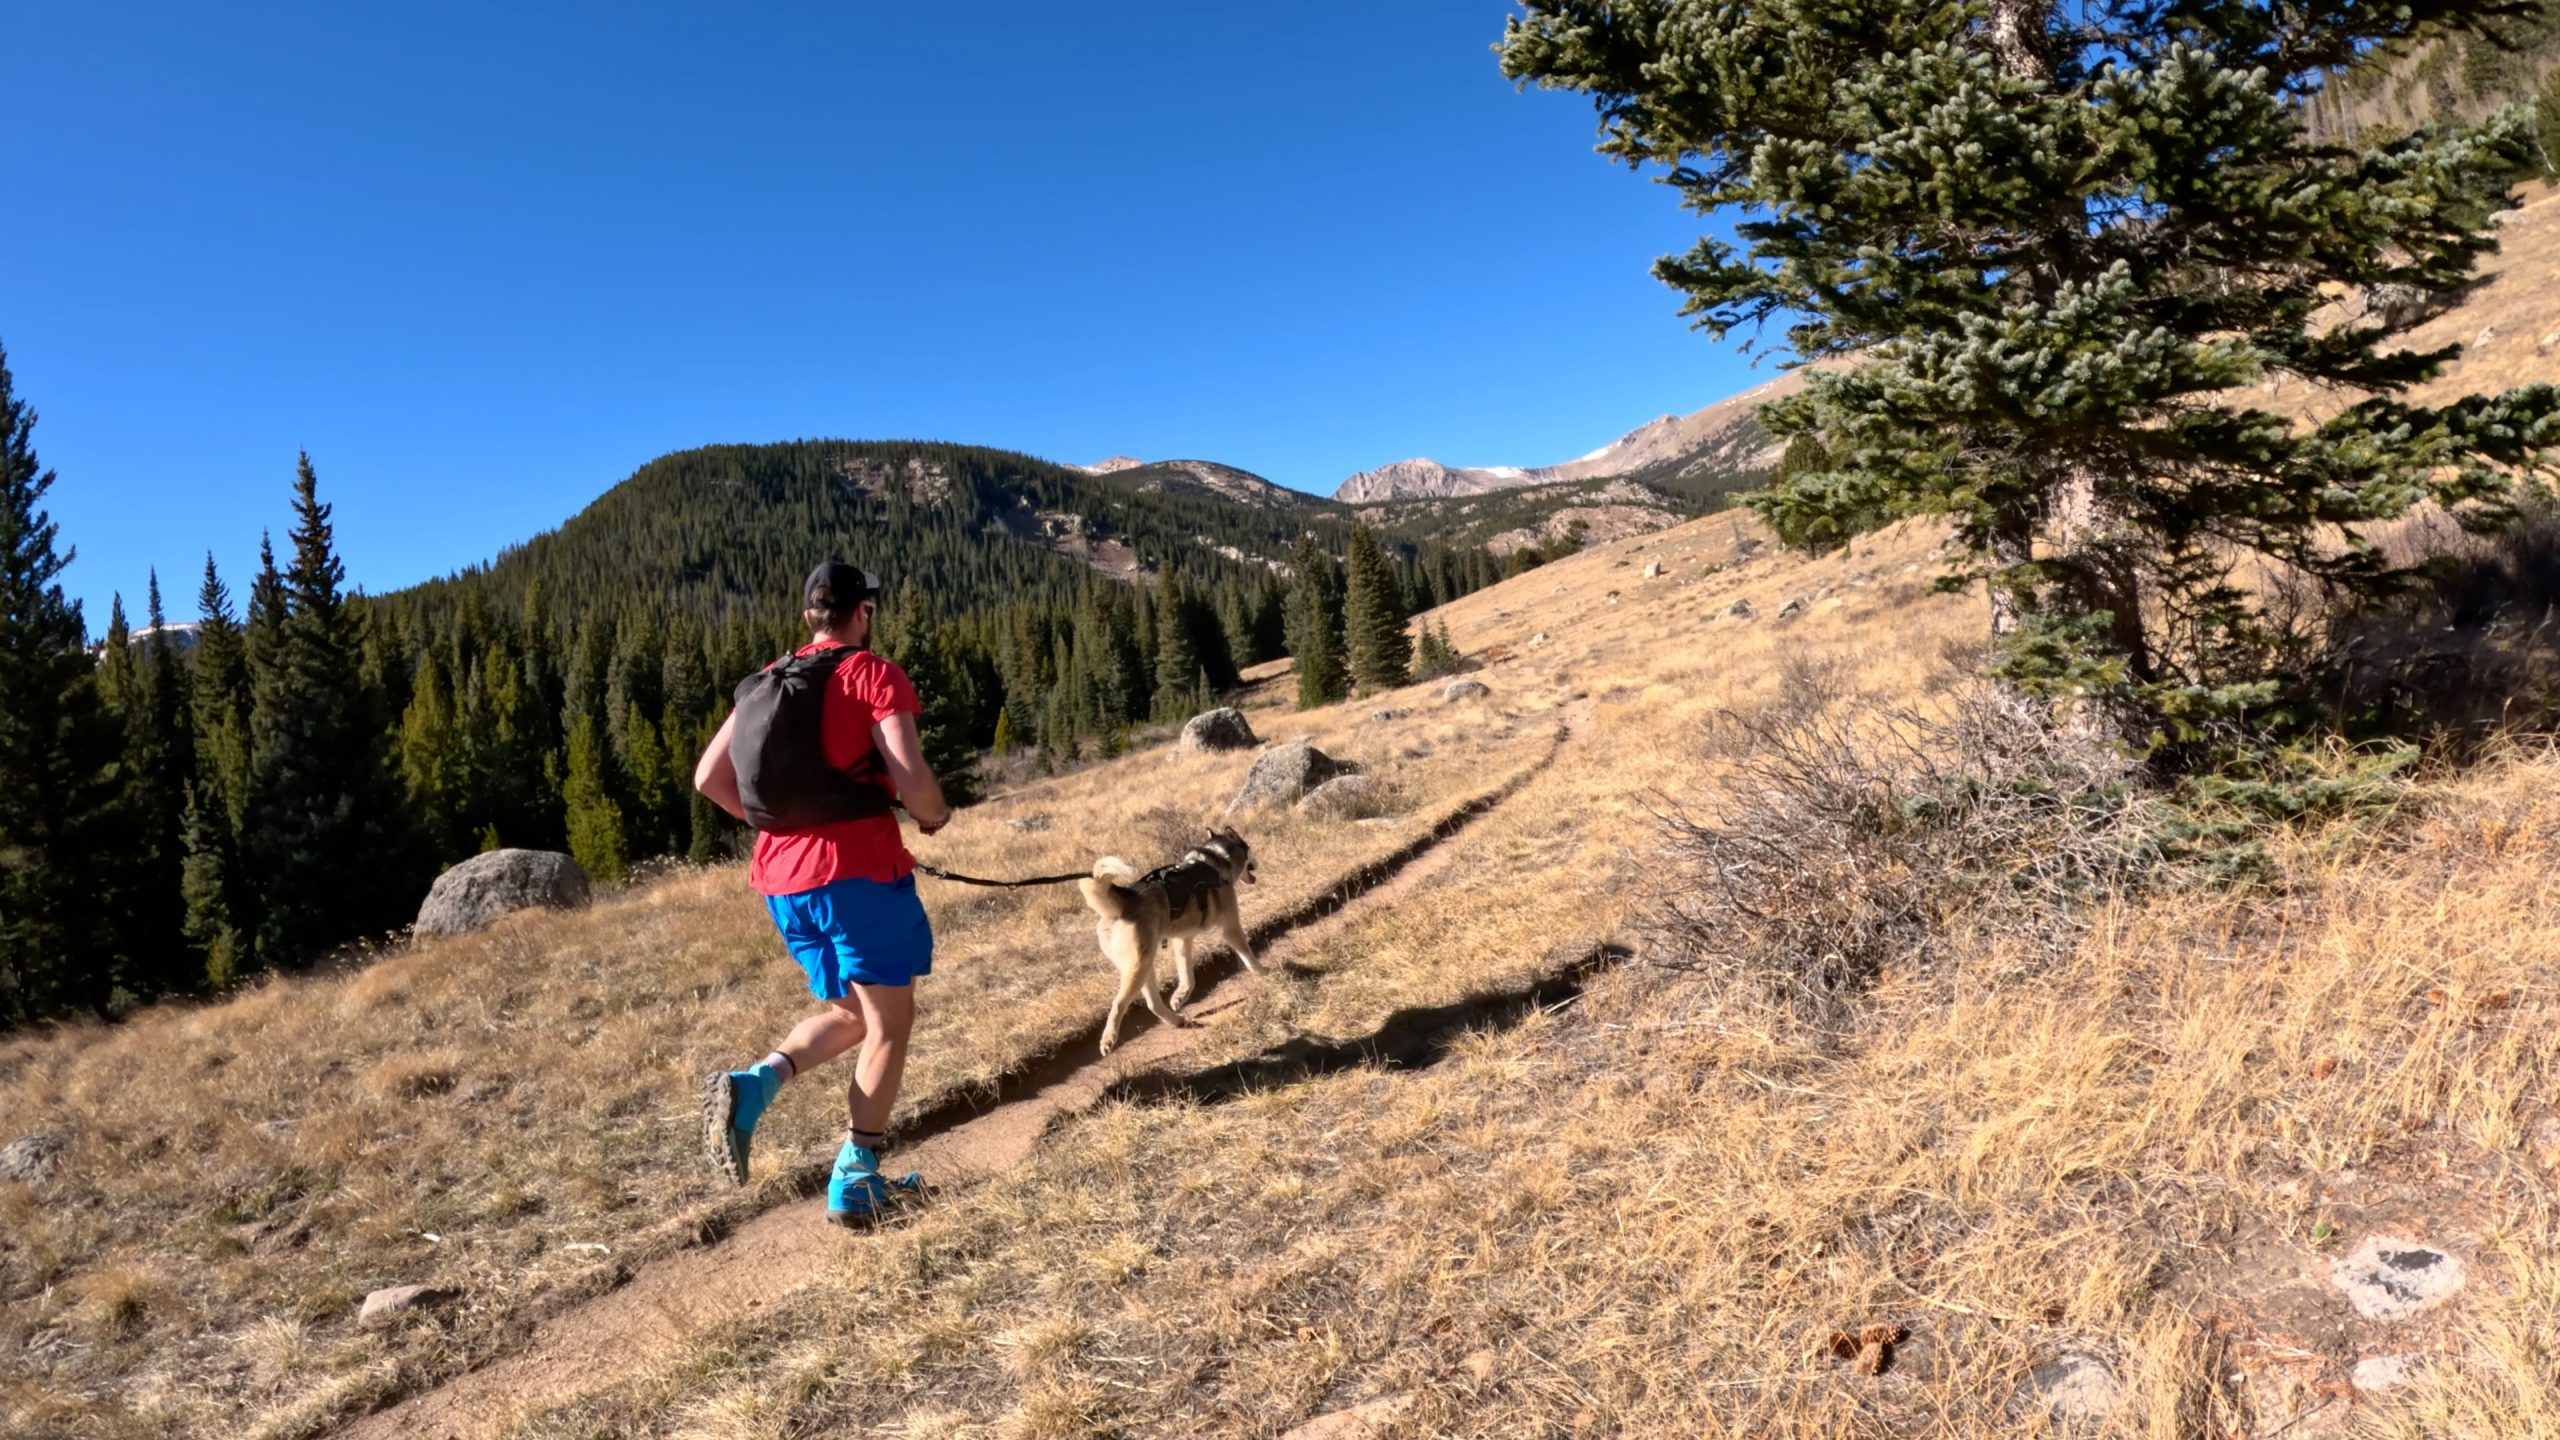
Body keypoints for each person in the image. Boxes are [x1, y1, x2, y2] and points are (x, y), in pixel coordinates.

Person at [692, 561, 952, 1222]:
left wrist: (788, 826)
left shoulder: (767, 681)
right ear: (862, 612)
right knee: (890, 1022)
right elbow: (910, 774)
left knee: (852, 1013)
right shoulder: (871, 673)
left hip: (782, 880)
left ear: (810, 616)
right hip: (856, 873)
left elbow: (709, 780)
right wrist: (933, 815)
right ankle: (857, 1179)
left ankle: (754, 1086)